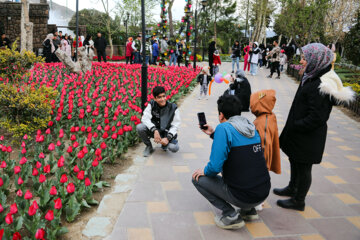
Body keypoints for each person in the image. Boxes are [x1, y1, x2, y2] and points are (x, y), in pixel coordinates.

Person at [274, 43, 355, 211]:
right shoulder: (312, 75)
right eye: (302, 58)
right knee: (295, 160)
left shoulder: (322, 84)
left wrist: (297, 125)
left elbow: (317, 117)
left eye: (305, 58)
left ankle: (299, 201)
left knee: (304, 167)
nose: (302, 61)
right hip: (299, 132)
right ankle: (292, 188)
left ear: (316, 59)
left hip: (307, 135)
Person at [192, 94, 271, 230]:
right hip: (263, 192)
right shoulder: (249, 126)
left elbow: (215, 167)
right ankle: (249, 211)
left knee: (197, 179)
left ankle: (230, 216)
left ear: (221, 115)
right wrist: (213, 134)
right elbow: (237, 147)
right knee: (247, 168)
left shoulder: (223, 128)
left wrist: (204, 171)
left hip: (243, 196)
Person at [136, 86, 181, 157]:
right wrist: (154, 130)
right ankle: (149, 146)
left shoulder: (173, 107)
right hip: (155, 132)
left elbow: (175, 125)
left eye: (164, 96)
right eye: (159, 97)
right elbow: (145, 118)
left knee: (174, 148)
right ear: (155, 98)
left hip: (167, 132)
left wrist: (168, 138)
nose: (162, 99)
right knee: (140, 127)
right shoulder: (151, 105)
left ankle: (165, 144)